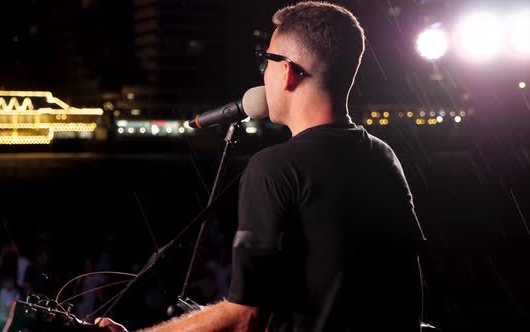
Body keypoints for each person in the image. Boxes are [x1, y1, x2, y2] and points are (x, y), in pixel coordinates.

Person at [99, 2, 425, 331]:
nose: (263, 73)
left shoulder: (274, 167)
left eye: (265, 60)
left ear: (287, 71)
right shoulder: (384, 157)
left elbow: (246, 318)